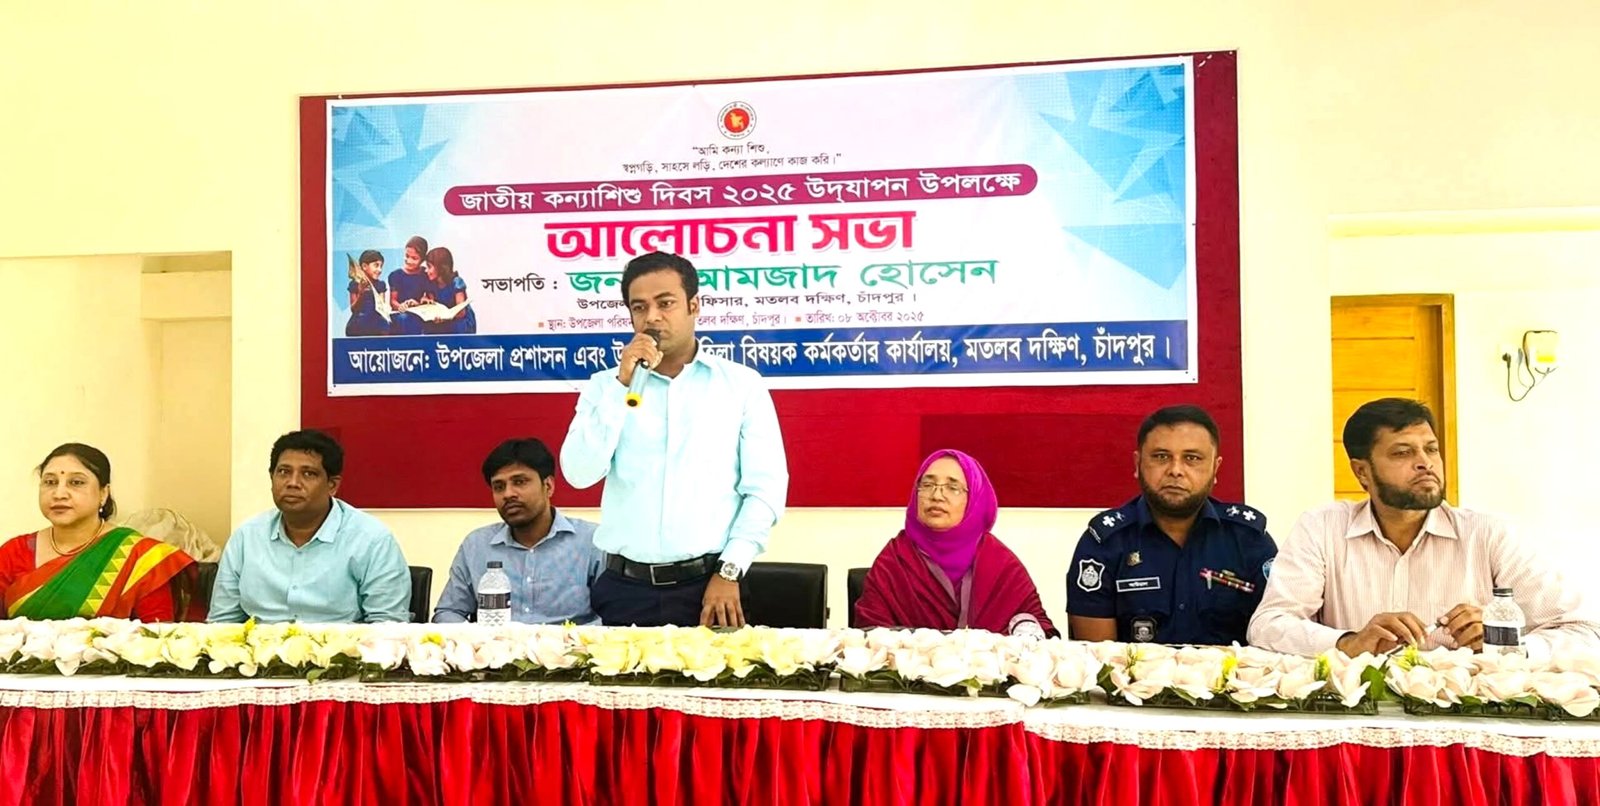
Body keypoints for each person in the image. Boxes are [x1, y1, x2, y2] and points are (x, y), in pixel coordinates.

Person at [1249, 398, 1600, 657]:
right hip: (1355, 715)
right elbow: (1268, 625)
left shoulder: (1488, 534)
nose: (1425, 463)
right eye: (1402, 453)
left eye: (1431, 449)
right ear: (1362, 472)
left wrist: (1506, 643)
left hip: (1465, 720)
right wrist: (1349, 642)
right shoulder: (1322, 528)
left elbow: (1585, 632)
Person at [562, 251, 787, 627]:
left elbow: (765, 491)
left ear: (693, 306)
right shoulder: (606, 387)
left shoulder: (740, 386)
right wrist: (621, 387)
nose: (652, 317)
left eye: (665, 303)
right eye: (639, 307)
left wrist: (730, 570)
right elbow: (578, 473)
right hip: (624, 589)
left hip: (711, 588)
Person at [1067, 405, 1277, 645]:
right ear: (1137, 463)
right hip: (1131, 672)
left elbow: (1276, 636)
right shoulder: (1104, 544)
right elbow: (1097, 658)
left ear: (1215, 468)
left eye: (1192, 458)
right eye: (1161, 456)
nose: (1176, 470)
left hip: (1236, 671)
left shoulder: (1249, 540)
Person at [208, 430, 411, 623]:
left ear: (332, 485)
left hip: (343, 648)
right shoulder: (246, 537)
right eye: (284, 472)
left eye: (308, 474)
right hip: (258, 648)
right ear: (272, 478)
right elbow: (222, 623)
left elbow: (388, 627)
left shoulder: (372, 540)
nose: (293, 483)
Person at [853, 449, 1056, 636]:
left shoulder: (999, 562)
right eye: (927, 485)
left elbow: (1039, 629)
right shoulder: (894, 560)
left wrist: (1024, 629)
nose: (936, 496)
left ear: (975, 498)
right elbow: (869, 634)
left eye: (952, 487)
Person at [1, 443, 201, 621]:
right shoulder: (13, 552)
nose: (59, 494)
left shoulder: (139, 557)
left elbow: (156, 638)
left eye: (76, 482)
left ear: (103, 493)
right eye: (50, 482)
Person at [433, 438, 603, 623]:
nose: (508, 494)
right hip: (495, 642)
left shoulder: (592, 542)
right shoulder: (476, 546)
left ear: (548, 486)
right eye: (499, 487)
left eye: (520, 482)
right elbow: (448, 612)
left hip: (569, 641)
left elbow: (613, 618)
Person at [422, 246, 476, 335]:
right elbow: (433, 305)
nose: (426, 270)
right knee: (429, 326)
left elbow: (461, 312)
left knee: (459, 326)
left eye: (429, 267)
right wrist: (426, 302)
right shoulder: (431, 284)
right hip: (441, 320)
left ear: (441, 267)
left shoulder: (456, 282)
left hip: (458, 320)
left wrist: (444, 318)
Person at [386, 235, 432, 336]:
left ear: (422, 260)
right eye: (407, 256)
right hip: (401, 313)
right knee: (404, 319)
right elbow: (393, 301)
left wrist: (420, 302)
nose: (409, 261)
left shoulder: (425, 274)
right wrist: (401, 306)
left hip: (419, 312)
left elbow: (429, 298)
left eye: (414, 258)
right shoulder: (396, 275)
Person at [345, 249, 389, 337]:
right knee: (357, 324)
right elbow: (353, 309)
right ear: (364, 266)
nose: (380, 270)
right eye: (376, 265)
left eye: (381, 266)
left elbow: (382, 308)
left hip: (376, 321)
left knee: (385, 325)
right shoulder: (354, 284)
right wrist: (361, 293)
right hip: (359, 320)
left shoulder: (380, 285)